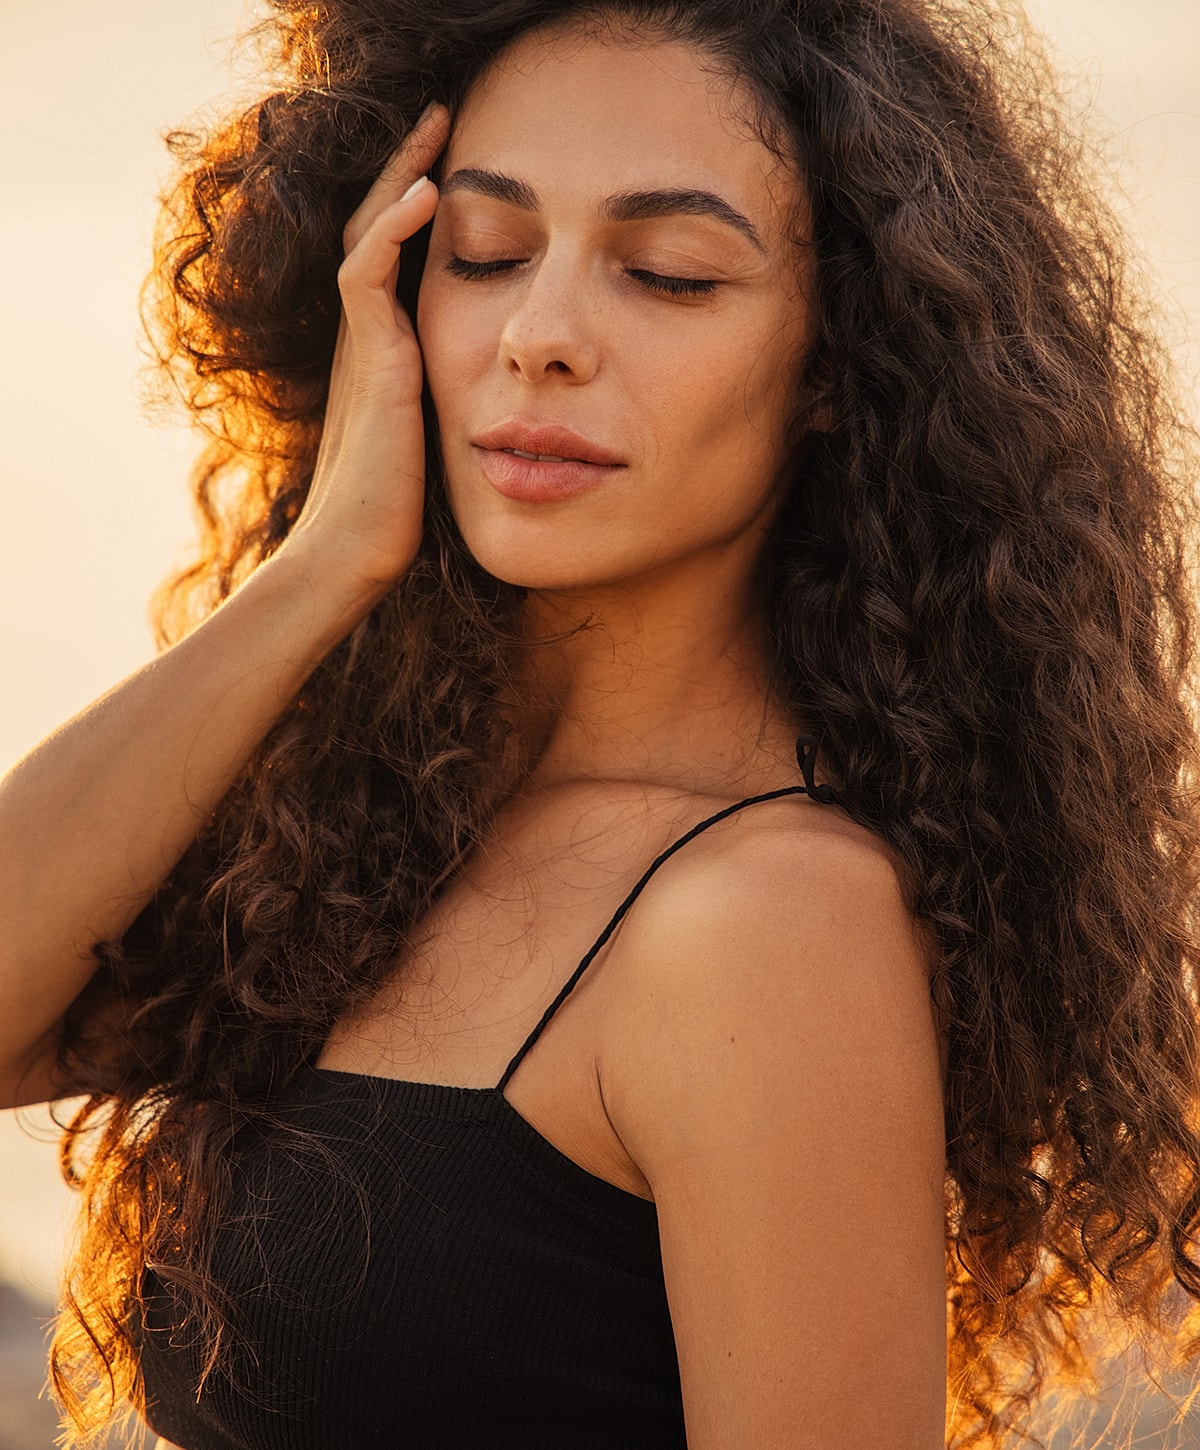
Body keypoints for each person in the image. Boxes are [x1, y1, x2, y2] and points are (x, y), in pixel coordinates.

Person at [1, 0, 1197, 1444]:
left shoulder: (773, 920)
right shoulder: (375, 832)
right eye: (485, 255)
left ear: (836, 366)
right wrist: (327, 563)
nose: (540, 334)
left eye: (671, 275)